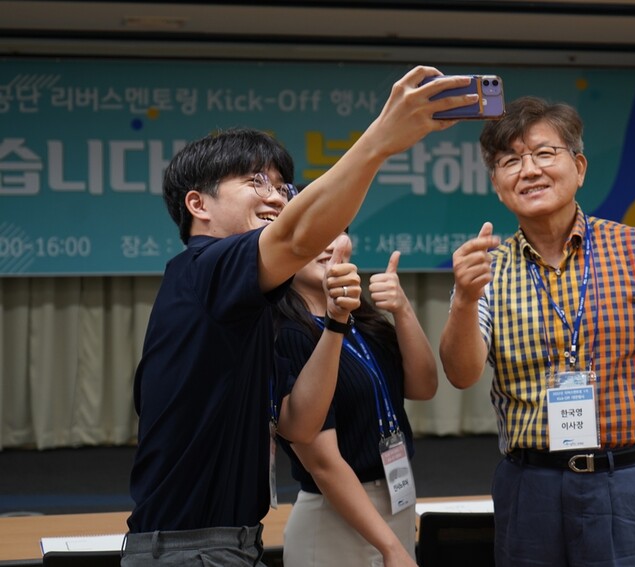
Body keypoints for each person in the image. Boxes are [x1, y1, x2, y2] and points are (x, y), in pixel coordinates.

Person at [122, 66, 477, 566]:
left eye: (283, 187)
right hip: (191, 549)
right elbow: (295, 236)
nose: (275, 196)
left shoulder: (247, 307)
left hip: (232, 541)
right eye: (255, 181)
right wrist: (378, 141)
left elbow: (300, 424)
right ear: (197, 204)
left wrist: (335, 321)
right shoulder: (202, 269)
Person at [438, 96, 635, 566]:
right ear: (497, 185)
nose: (529, 170)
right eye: (511, 161)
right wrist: (464, 299)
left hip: (630, 479)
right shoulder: (487, 269)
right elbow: (461, 374)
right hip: (530, 486)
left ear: (579, 167)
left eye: (545, 153)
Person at [273, 231, 437, 567]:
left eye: (339, 232)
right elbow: (322, 463)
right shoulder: (287, 334)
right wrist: (390, 548)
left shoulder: (362, 318)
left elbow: (423, 387)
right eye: (319, 231)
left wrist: (402, 308)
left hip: (397, 499)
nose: (331, 243)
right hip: (335, 518)